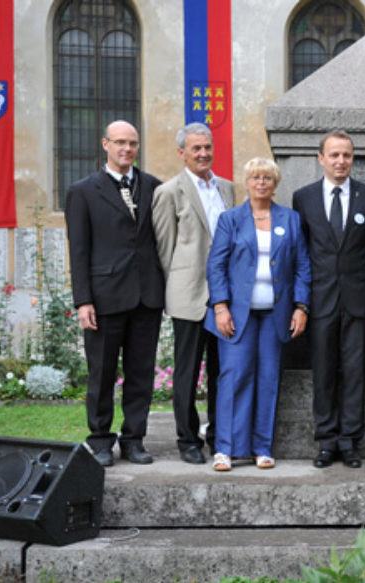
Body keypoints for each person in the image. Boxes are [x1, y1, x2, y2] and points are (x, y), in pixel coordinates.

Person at [65, 120, 164, 467]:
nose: (127, 149)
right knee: (102, 373)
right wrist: (83, 300)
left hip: (147, 296)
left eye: (133, 143)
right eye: (120, 142)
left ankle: (134, 439)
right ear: (105, 143)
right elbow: (79, 249)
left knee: (141, 373)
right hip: (104, 297)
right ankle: (100, 439)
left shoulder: (153, 187)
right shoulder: (83, 190)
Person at [205, 157, 311, 471]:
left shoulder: (290, 219)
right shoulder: (231, 219)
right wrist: (220, 306)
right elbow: (216, 266)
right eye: (255, 177)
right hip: (237, 315)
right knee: (234, 378)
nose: (261, 183)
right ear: (247, 182)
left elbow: (304, 267)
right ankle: (225, 449)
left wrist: (301, 307)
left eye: (267, 178)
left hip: (275, 314)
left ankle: (262, 448)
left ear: (275, 183)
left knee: (268, 379)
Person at [292, 130, 365, 469]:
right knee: (324, 372)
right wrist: (300, 303)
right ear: (321, 158)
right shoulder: (303, 198)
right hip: (320, 301)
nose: (341, 161)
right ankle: (326, 441)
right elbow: (301, 255)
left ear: (352, 158)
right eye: (334, 155)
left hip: (359, 302)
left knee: (354, 372)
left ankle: (349, 441)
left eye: (346, 155)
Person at [152, 122, 235, 464]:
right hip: (189, 296)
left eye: (207, 147)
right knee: (187, 373)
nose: (203, 154)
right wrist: (179, 285)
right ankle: (187, 439)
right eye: (196, 148)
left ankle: (217, 435)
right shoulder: (170, 192)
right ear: (182, 153)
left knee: (221, 371)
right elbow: (164, 249)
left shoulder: (228, 189)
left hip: (225, 300)